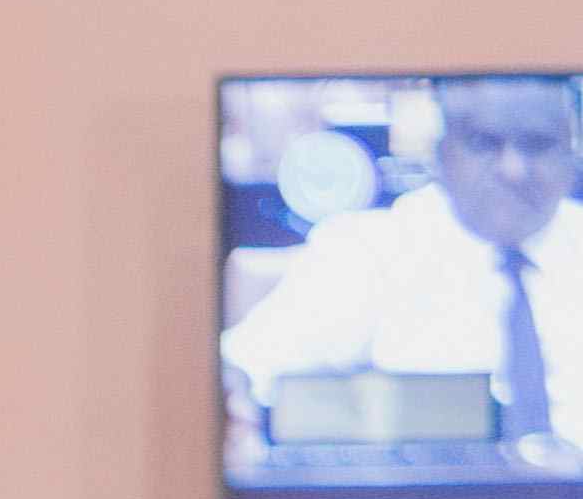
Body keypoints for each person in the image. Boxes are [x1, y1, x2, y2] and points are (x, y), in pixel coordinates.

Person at [219, 75, 583, 441]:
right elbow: (241, 376)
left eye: (539, 144)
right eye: (484, 144)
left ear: (572, 153)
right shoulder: (365, 250)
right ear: (441, 153)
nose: (514, 170)